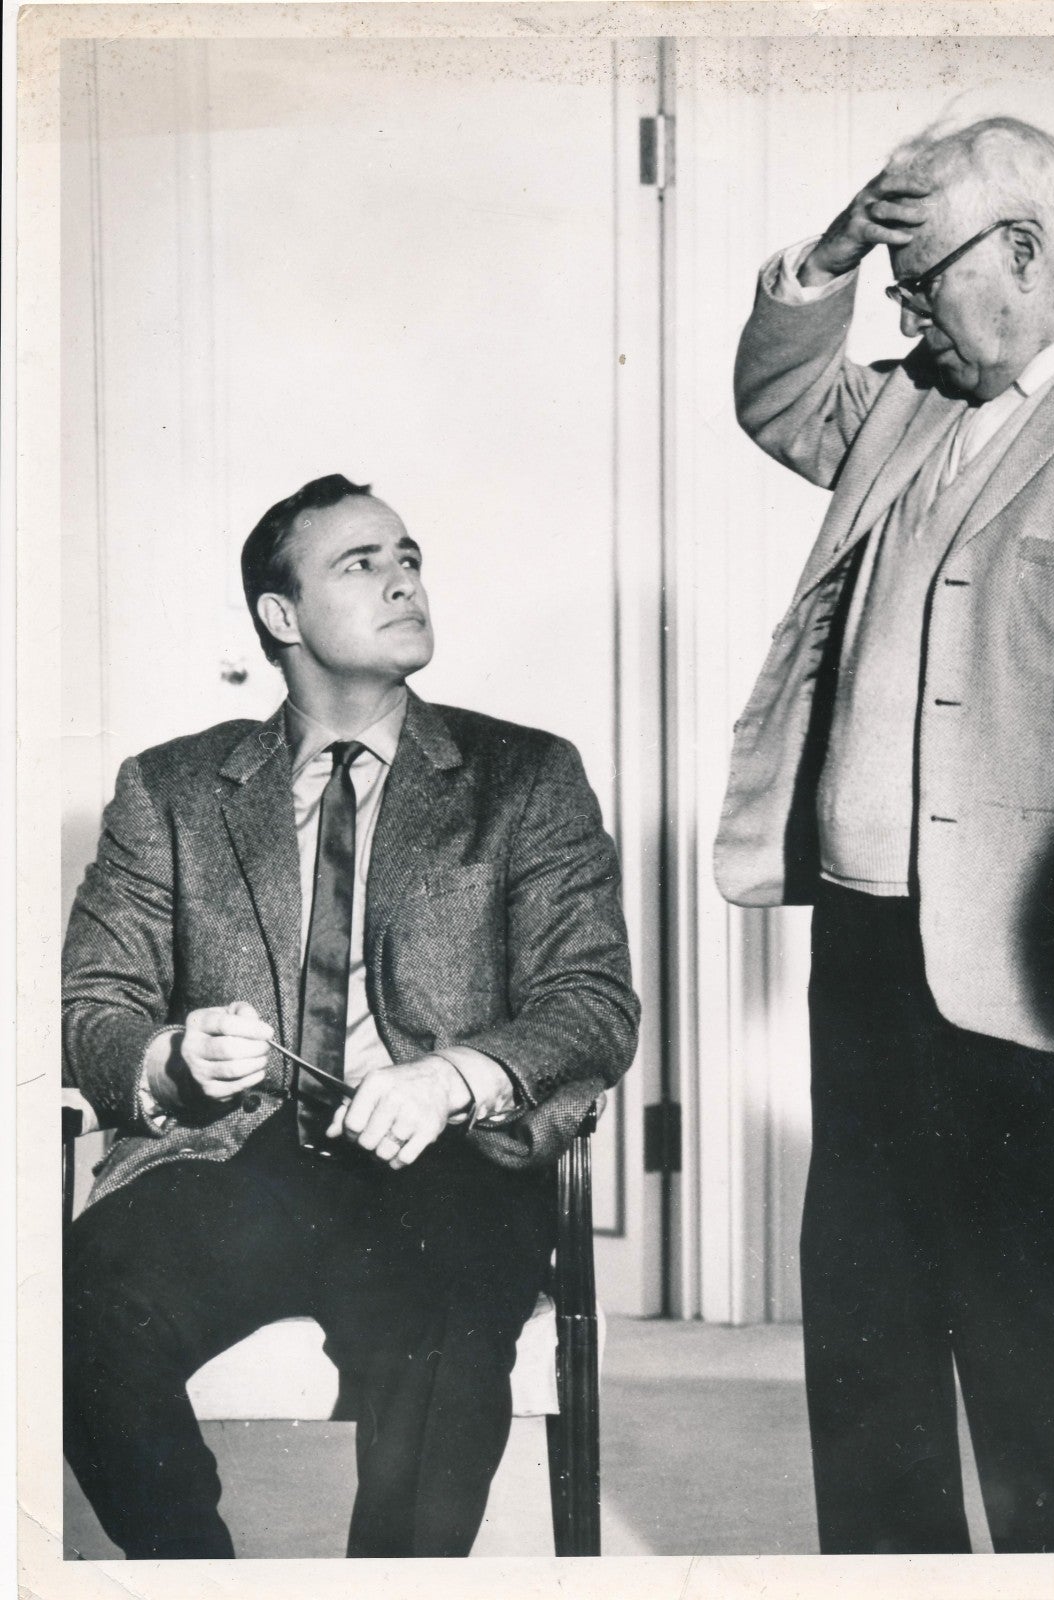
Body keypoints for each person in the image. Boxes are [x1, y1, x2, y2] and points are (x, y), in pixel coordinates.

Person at [715, 117, 1054, 1553]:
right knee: (867, 1305)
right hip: (868, 933)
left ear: (1021, 255)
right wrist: (826, 259)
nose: (902, 311)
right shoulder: (914, 400)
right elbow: (777, 404)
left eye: (917, 279)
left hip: (1032, 961)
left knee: (1045, 1332)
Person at [62, 473, 639, 1559]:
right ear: (280, 618)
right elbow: (96, 1003)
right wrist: (169, 1056)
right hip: (232, 1162)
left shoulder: (524, 776)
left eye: (408, 555)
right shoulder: (172, 789)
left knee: (444, 1342)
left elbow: (593, 1001)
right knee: (68, 1312)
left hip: (449, 1163)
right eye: (360, 562)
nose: (402, 577)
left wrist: (450, 1077)